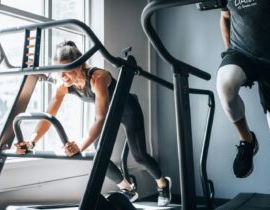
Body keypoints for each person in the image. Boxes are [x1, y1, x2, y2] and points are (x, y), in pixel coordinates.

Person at [15, 40, 172, 207]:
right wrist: (31, 142)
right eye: (59, 71)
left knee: (139, 156)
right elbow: (48, 116)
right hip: (108, 114)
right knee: (99, 155)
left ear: (80, 65)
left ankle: (163, 184)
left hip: (127, 110)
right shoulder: (63, 85)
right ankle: (128, 188)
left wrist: (79, 147)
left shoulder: (98, 77)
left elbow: (100, 117)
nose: (62, 76)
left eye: (66, 70)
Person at [216, 0, 270, 209]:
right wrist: (229, 52)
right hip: (241, 54)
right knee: (225, 84)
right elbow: (225, 17)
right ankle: (247, 140)